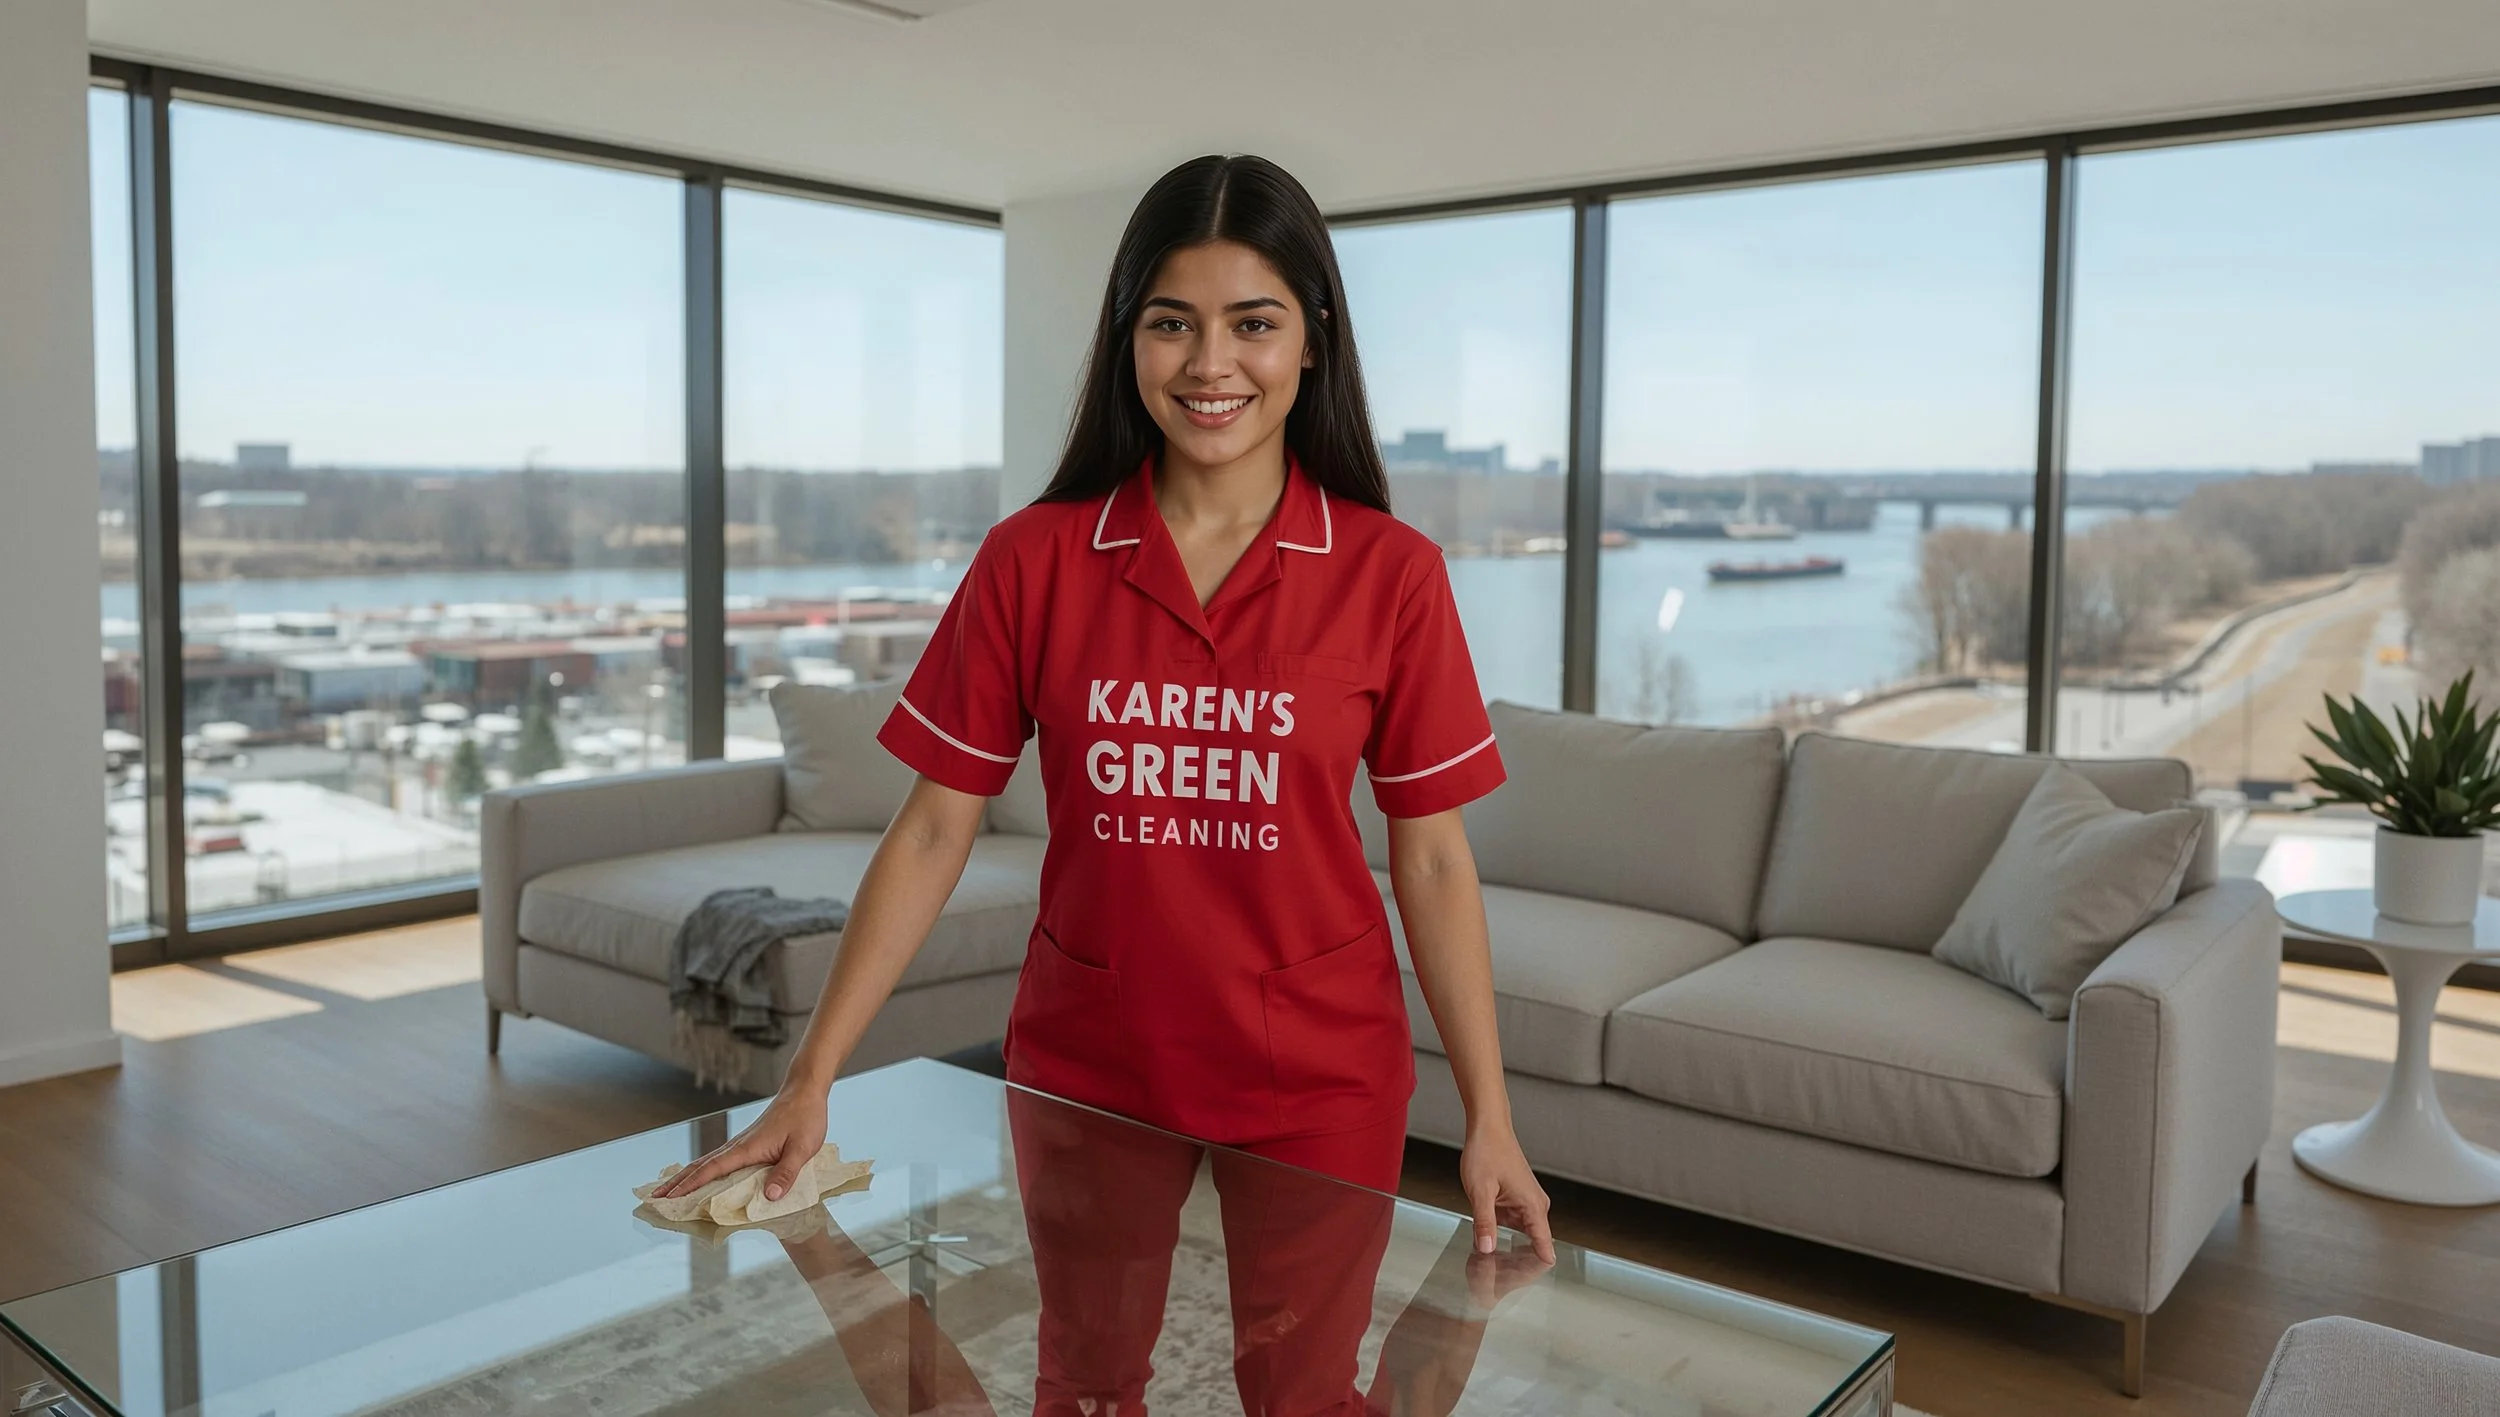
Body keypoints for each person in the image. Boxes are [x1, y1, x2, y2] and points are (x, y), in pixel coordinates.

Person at [655, 152, 1552, 1409]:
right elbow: (930, 833)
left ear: (1312, 343)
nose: (1209, 364)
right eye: (1171, 322)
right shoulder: (1037, 559)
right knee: (1082, 1387)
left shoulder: (1389, 573)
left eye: (1254, 323)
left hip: (1316, 1067)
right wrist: (810, 1081)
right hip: (1092, 1059)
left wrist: (1493, 1121)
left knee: (1302, 1393)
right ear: (1128, 336)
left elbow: (1434, 855)